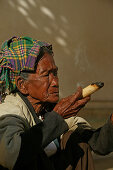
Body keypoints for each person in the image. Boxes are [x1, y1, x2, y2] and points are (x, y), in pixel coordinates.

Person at [0, 36, 113, 170]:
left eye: (55, 73)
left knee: (75, 141)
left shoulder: (49, 109)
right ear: (22, 84)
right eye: (46, 75)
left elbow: (99, 145)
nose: (55, 82)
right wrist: (57, 117)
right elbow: (10, 155)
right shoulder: (10, 109)